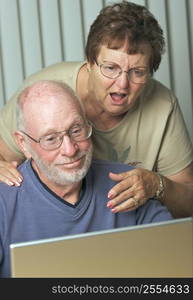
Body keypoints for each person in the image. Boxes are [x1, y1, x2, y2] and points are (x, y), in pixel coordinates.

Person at [0, 1, 193, 218]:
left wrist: (156, 185)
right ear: (90, 62)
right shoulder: (42, 94)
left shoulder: (162, 105)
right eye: (110, 68)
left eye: (137, 72)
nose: (122, 84)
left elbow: (188, 200)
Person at [0, 80, 173, 277]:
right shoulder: (4, 203)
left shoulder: (128, 183)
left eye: (76, 130)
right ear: (23, 143)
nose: (70, 150)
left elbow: (175, 265)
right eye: (51, 139)